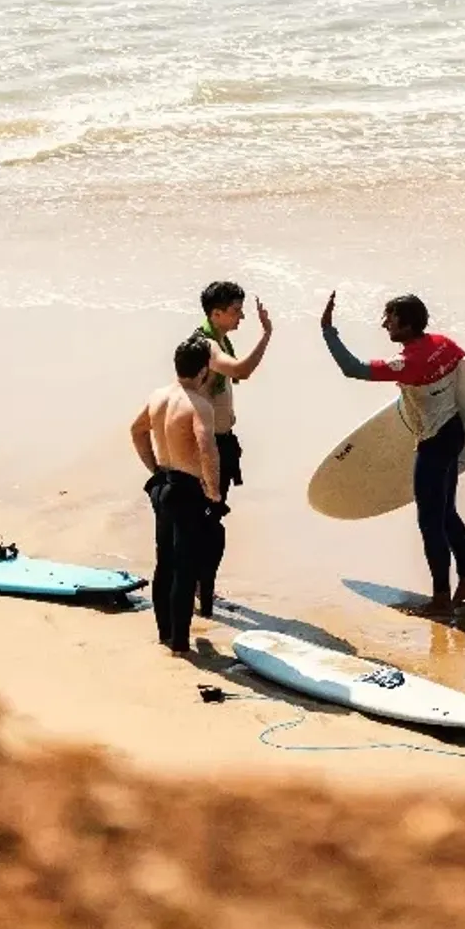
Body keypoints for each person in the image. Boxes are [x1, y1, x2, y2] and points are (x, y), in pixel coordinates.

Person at [321, 289, 465, 612]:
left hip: (434, 442)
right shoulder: (444, 344)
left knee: (430, 521)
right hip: (455, 431)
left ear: (407, 325)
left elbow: (352, 368)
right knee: (446, 511)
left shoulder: (407, 362)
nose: (384, 325)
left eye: (390, 319)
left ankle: (440, 597)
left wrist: (328, 331)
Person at [129, 336, 223, 655]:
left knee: (164, 563)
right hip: (187, 492)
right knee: (185, 567)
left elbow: (136, 430)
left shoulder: (158, 396)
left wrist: (154, 469)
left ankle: (164, 633)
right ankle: (181, 644)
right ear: (204, 371)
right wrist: (213, 492)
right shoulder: (199, 405)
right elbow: (207, 449)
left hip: (163, 486)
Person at [190, 281, 272, 617]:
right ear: (216, 313)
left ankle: (200, 587)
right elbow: (241, 372)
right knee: (208, 523)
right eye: (236, 311)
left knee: (207, 521)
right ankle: (201, 592)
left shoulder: (222, 339)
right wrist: (267, 334)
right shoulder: (207, 345)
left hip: (221, 441)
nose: (241, 317)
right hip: (207, 446)